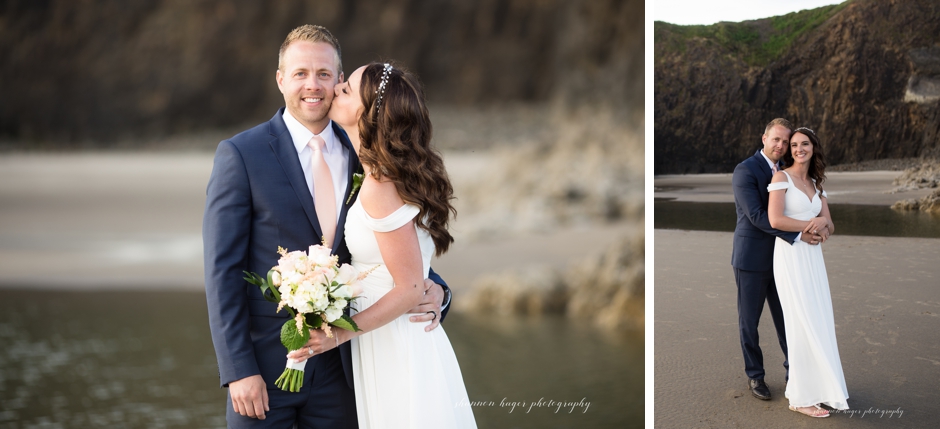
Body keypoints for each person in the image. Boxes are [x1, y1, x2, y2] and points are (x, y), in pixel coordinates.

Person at [203, 25, 453, 428]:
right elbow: (222, 271)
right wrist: (237, 369)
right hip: (264, 371)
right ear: (281, 79)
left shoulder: (368, 156)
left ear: (340, 82)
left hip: (346, 374)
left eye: (324, 74)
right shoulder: (241, 155)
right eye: (300, 73)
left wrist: (437, 290)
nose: (312, 85)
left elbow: (389, 241)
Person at [285, 62, 477, 428]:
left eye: (347, 89)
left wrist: (336, 336)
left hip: (396, 343)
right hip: (383, 337)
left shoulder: (380, 184)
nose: (336, 88)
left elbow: (408, 288)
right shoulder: (378, 172)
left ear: (368, 112)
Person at [730, 118, 829, 401]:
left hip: (785, 261)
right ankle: (755, 376)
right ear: (764, 138)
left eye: (786, 141)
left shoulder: (788, 173)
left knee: (789, 319)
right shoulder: (745, 171)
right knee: (749, 321)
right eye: (776, 139)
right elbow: (759, 217)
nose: (781, 145)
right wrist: (799, 235)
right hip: (751, 259)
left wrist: (819, 225)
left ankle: (794, 373)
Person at [768, 127, 849, 418]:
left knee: (819, 319)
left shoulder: (816, 183)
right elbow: (775, 219)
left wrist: (823, 226)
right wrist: (807, 227)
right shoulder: (781, 178)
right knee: (800, 321)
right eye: (793, 145)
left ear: (813, 147)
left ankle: (819, 389)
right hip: (791, 257)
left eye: (804, 144)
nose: (798, 149)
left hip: (814, 258)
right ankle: (800, 396)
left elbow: (830, 223)